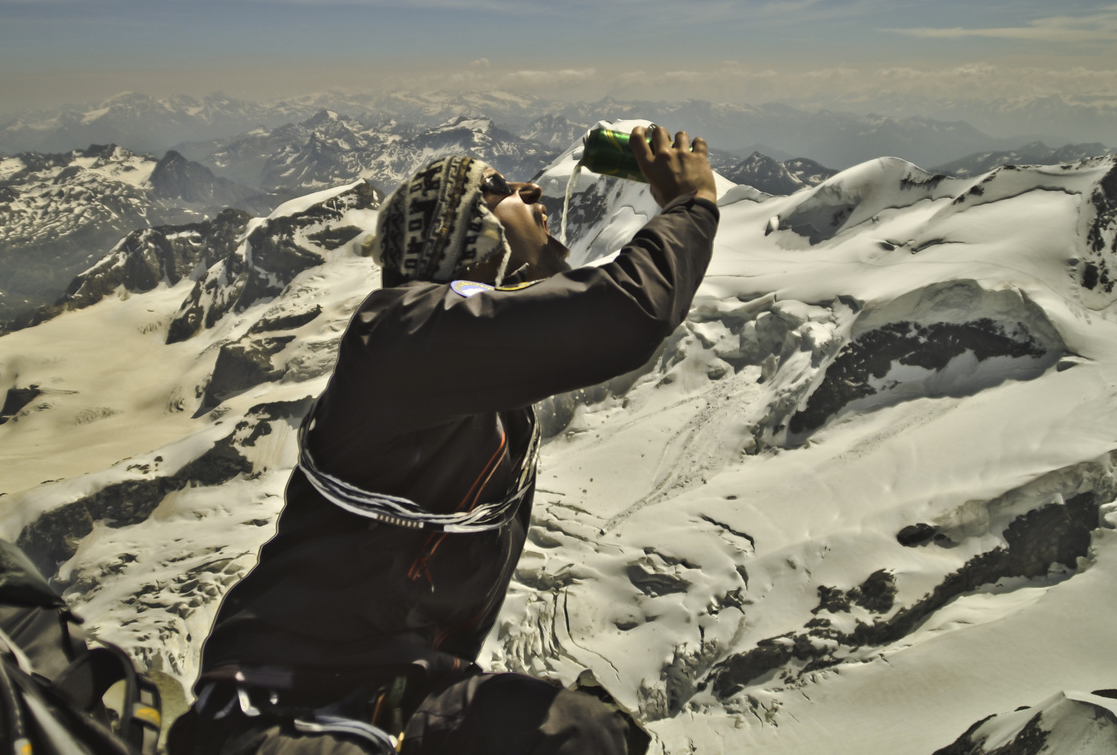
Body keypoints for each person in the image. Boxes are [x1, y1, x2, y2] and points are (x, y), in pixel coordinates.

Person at [170, 126, 719, 755]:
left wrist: (542, 264)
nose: (528, 188)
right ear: (462, 236)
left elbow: (568, 313)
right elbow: (623, 313)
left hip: (391, 698)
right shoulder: (401, 331)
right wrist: (691, 204)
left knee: (584, 733)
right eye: (496, 188)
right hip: (281, 714)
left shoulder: (454, 363)